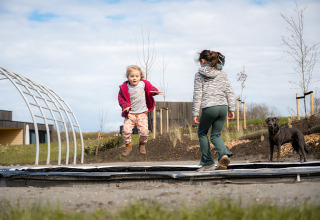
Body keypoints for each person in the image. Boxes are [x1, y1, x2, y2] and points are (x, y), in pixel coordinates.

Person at [192, 50, 235, 171]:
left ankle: (208, 163)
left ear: (202, 61)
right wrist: (232, 109)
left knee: (202, 133)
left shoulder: (199, 74)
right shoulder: (223, 74)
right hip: (223, 107)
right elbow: (229, 92)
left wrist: (195, 113)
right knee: (216, 135)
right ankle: (223, 155)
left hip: (209, 107)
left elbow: (197, 94)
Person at [118, 65, 161, 156]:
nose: (134, 78)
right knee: (126, 130)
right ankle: (128, 146)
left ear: (140, 77)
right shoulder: (124, 87)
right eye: (132, 76)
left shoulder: (144, 84)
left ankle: (142, 145)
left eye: (136, 76)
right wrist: (125, 106)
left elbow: (151, 89)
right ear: (127, 77)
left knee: (144, 131)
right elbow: (121, 99)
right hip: (130, 114)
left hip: (141, 113)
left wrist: (154, 91)